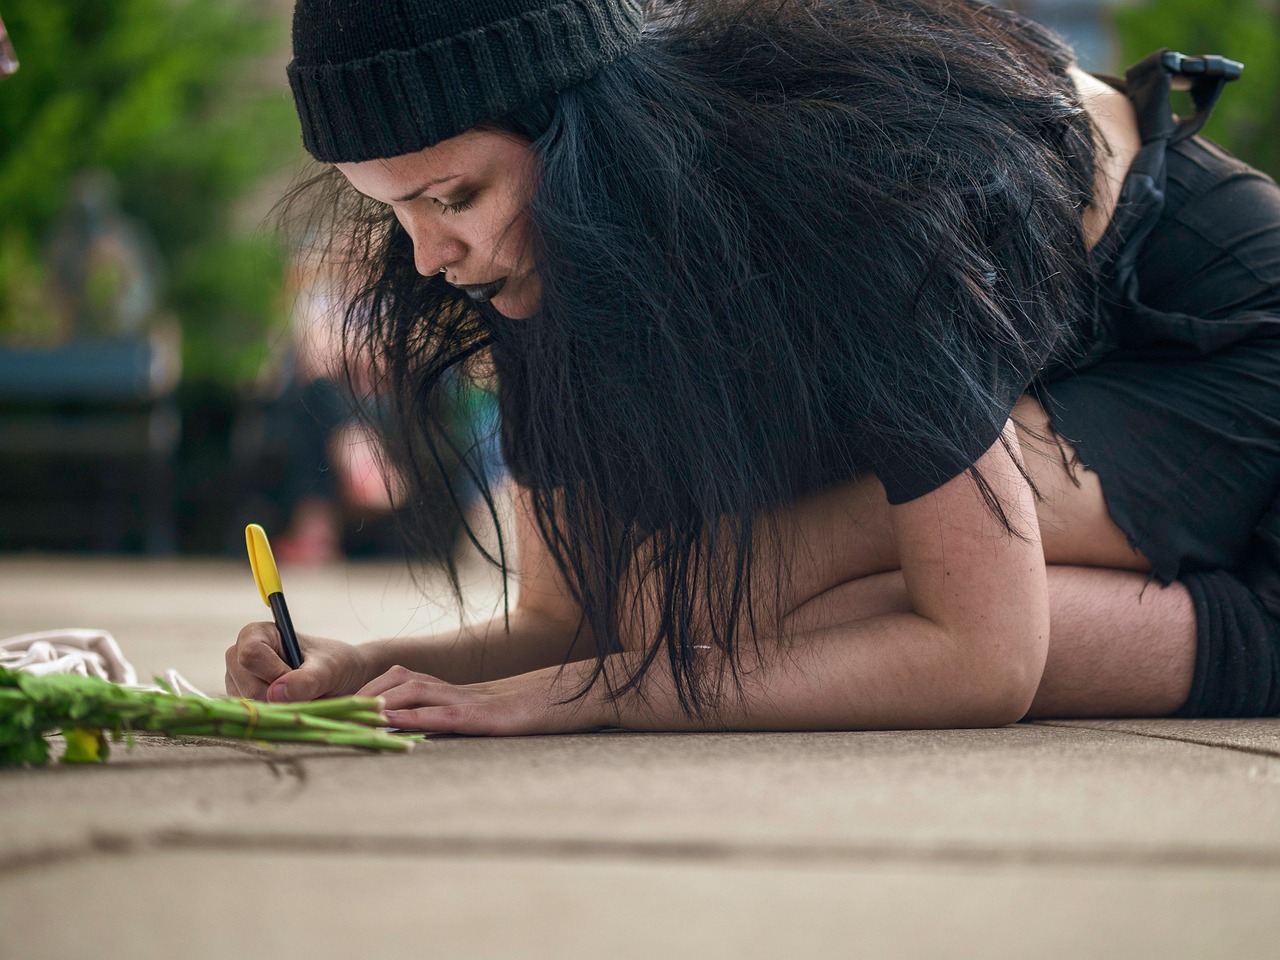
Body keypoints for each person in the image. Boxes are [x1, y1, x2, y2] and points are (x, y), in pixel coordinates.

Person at [226, 0, 1280, 734]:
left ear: (579, 139)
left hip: (1215, 332)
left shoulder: (843, 190)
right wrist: (366, 668)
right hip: (1057, 349)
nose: (427, 257)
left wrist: (596, 696)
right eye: (393, 209)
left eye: (453, 197)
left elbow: (983, 658)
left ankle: (1254, 631)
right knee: (697, 618)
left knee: (716, 618)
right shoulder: (533, 248)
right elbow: (568, 618)